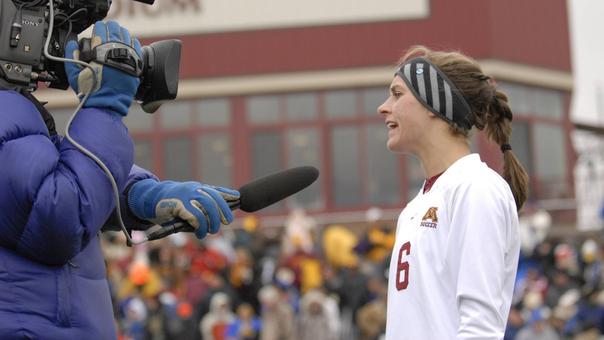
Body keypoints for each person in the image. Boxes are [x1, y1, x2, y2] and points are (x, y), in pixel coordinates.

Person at [0, 20, 238, 339]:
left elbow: (46, 174)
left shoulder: (15, 109)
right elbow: (56, 216)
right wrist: (104, 106)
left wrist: (140, 195)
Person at [378, 45, 529, 339]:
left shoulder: (476, 188)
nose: (383, 107)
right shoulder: (415, 207)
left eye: (397, 94)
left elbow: (479, 330)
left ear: (435, 103)